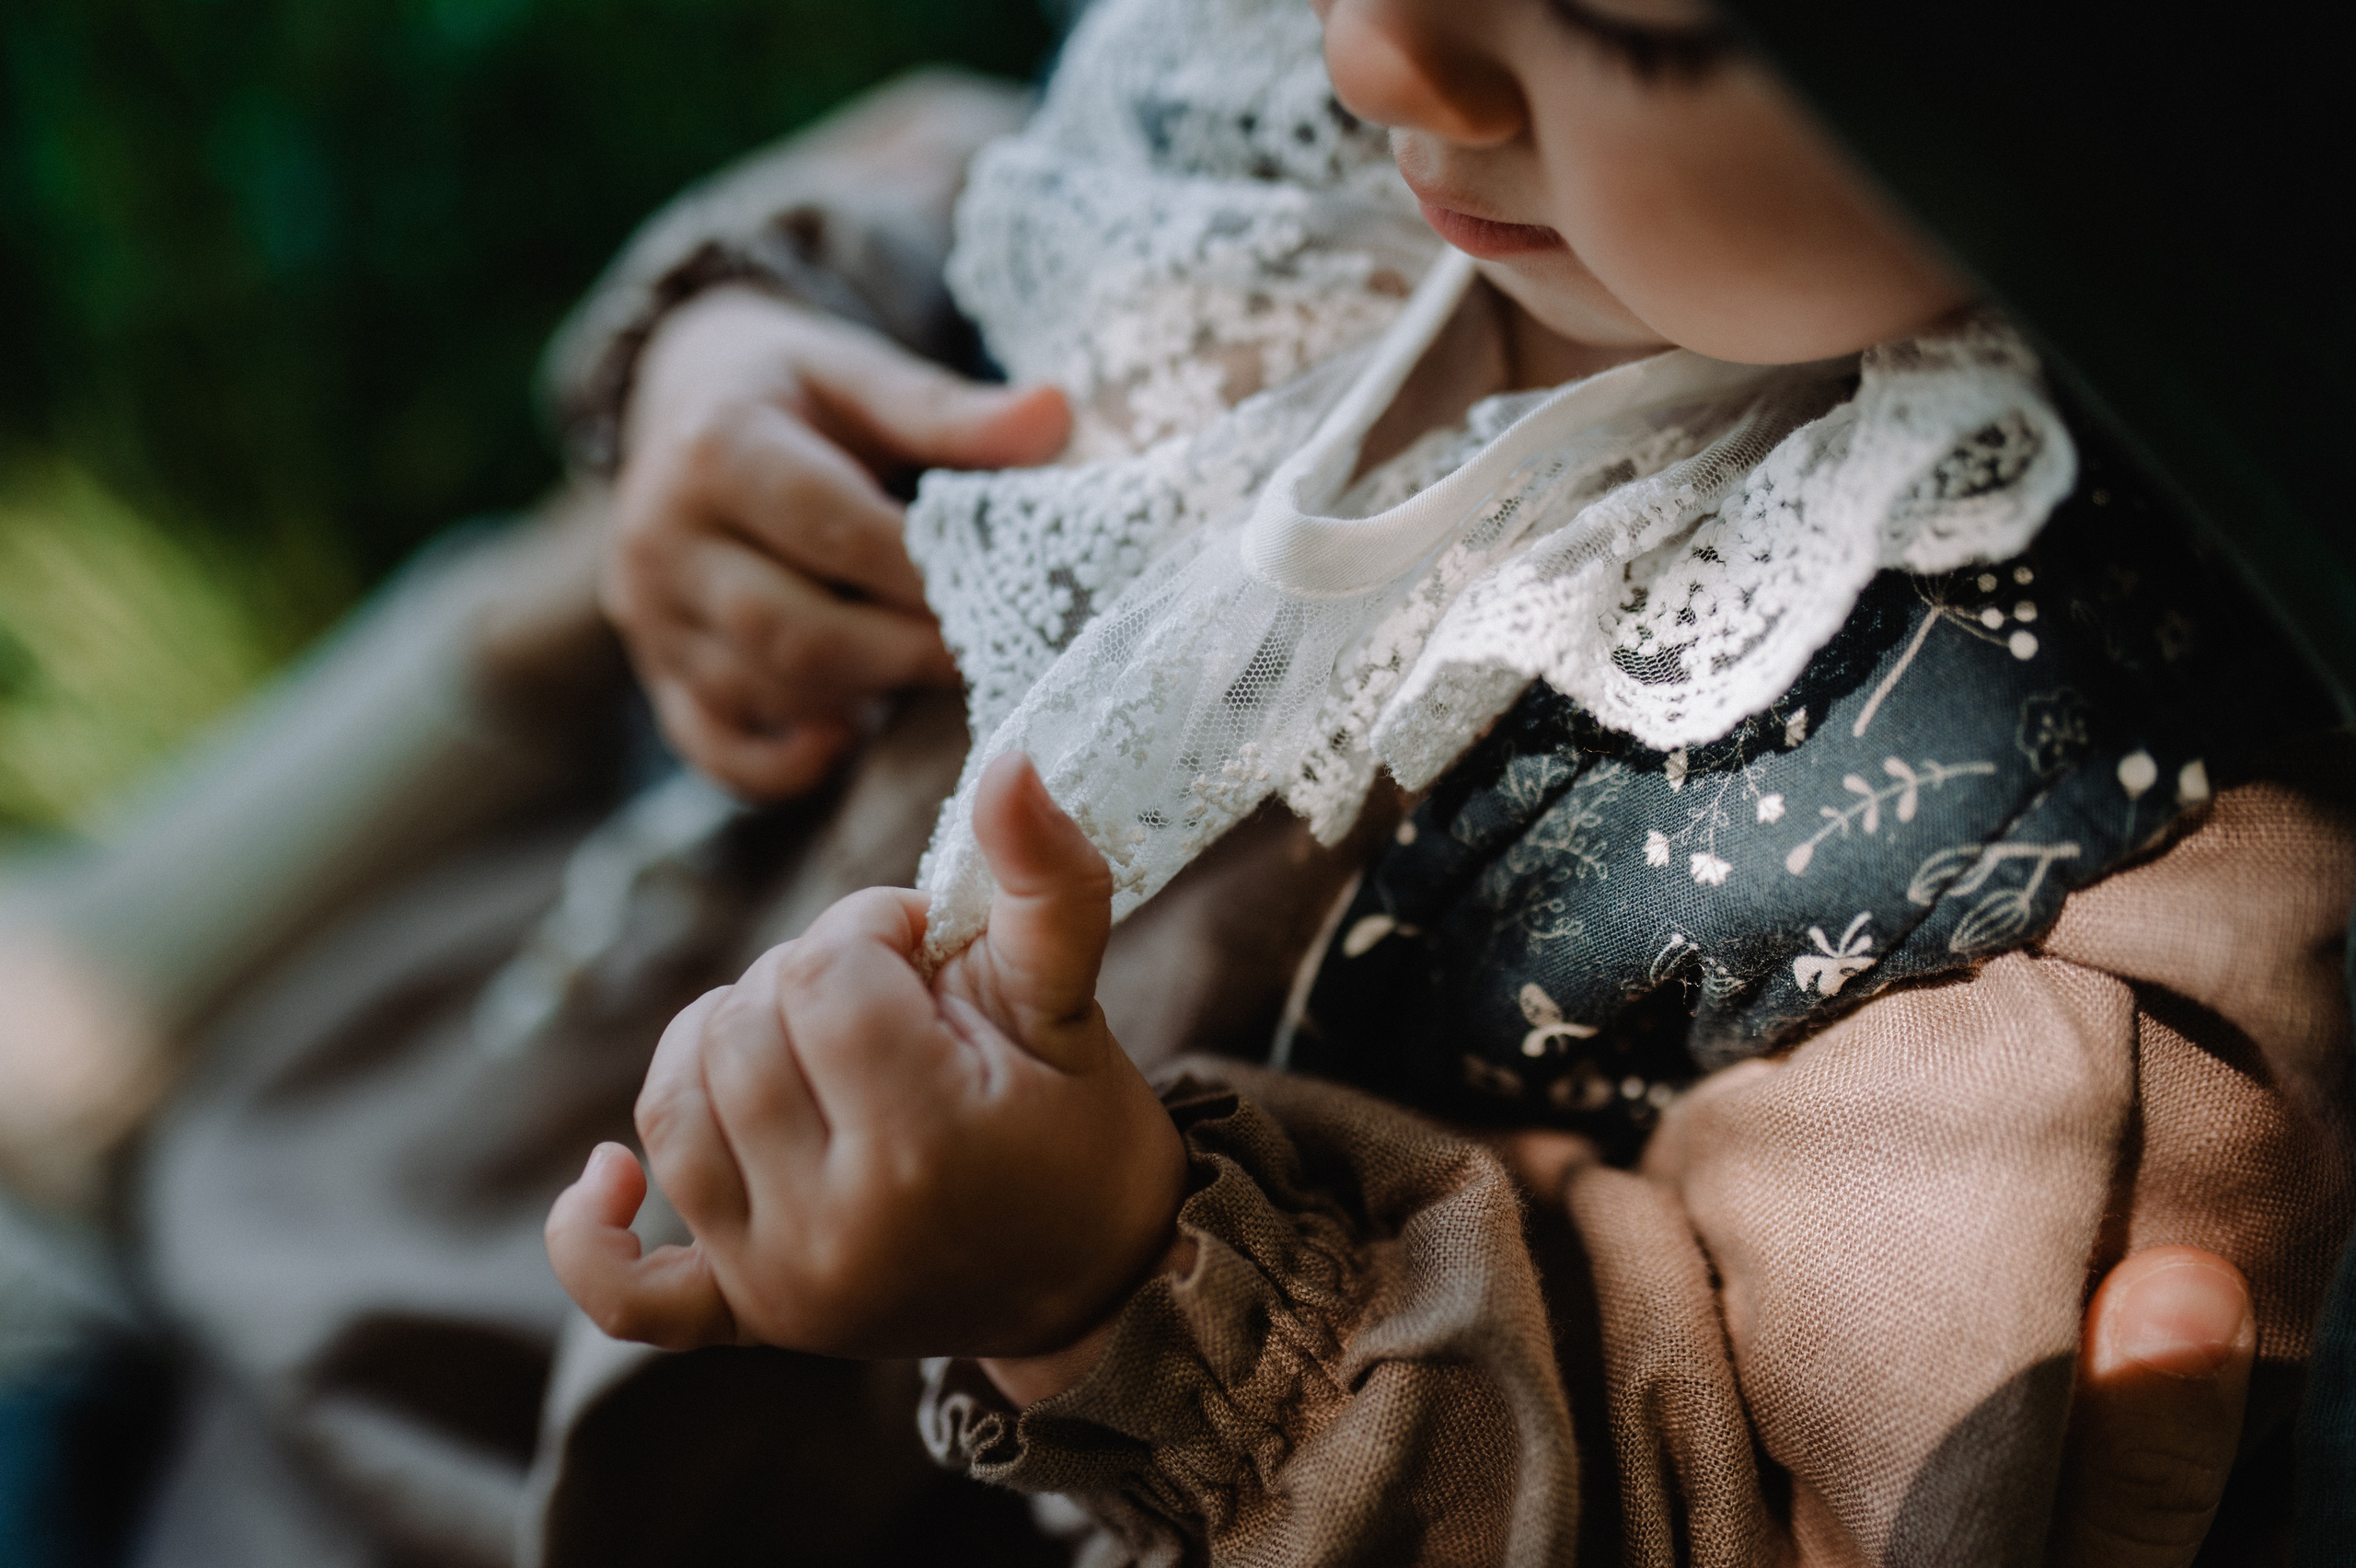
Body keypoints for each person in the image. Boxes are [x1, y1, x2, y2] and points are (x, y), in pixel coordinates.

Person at [0, 6, 2332, 1568]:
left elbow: (1745, 1494)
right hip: (359, 1211)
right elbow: (961, 212)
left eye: (1631, 17)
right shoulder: (1320, 140)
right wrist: (738, 383)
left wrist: (1127, 1286)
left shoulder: (2054, 819)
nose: (1374, 46)